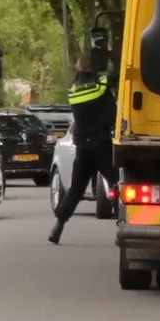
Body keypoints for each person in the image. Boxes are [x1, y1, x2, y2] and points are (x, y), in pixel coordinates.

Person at [48, 45, 116, 244]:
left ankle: (59, 225)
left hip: (83, 148)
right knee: (116, 181)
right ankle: (123, 220)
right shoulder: (101, 86)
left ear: (78, 69)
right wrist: (109, 53)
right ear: (93, 68)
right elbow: (119, 72)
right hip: (102, 144)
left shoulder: (73, 92)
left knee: (76, 189)